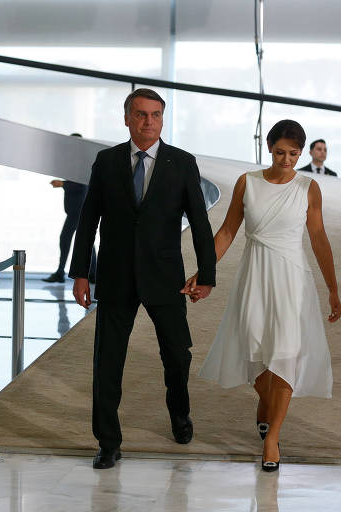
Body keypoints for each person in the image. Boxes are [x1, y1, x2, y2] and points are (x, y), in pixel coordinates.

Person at [69, 88, 217, 469]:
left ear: (163, 120)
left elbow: (200, 222)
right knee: (108, 362)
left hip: (166, 277)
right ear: (127, 118)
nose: (148, 121)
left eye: (155, 115)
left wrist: (208, 274)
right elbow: (88, 220)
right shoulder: (106, 161)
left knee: (177, 356)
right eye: (140, 114)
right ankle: (108, 442)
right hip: (115, 276)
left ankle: (180, 415)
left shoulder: (182, 163)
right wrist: (81, 273)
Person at [194, 119, 341, 472]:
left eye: (294, 153)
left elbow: (318, 238)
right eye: (280, 152)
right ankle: (265, 399)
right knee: (253, 347)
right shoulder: (249, 183)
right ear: (269, 148)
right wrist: (204, 271)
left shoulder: (309, 187)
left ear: (302, 153)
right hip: (254, 274)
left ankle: (273, 437)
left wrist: (333, 289)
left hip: (292, 279)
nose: (286, 159)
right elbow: (229, 230)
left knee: (287, 353)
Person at [43, 133, 97, 283]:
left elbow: (82, 185)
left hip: (78, 210)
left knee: (68, 239)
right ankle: (93, 273)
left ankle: (62, 272)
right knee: (85, 242)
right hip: (75, 210)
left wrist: (62, 184)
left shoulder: (81, 162)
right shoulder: (74, 161)